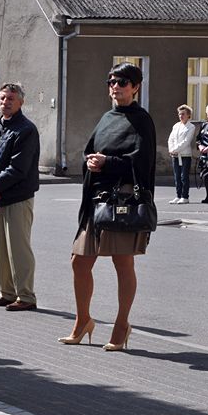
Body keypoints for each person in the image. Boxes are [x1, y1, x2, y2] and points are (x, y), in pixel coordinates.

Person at [60, 62, 156, 350]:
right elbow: (91, 149)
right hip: (96, 200)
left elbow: (142, 161)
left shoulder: (142, 120)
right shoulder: (106, 117)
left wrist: (108, 162)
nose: (116, 87)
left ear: (136, 87)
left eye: (122, 82)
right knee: (79, 262)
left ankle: (122, 324)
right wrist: (90, 160)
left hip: (122, 200)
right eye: (112, 82)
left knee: (122, 262)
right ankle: (83, 320)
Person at [0, 82, 40, 312]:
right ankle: (6, 293)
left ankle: (26, 295)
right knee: (2, 250)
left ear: (21, 102)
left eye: (11, 99)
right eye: (3, 98)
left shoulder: (26, 130)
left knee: (19, 249)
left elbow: (19, 167)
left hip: (18, 197)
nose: (5, 102)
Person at [167, 104, 195, 204]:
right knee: (177, 177)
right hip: (175, 155)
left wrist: (175, 149)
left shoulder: (191, 127)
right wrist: (171, 149)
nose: (181, 116)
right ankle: (178, 195)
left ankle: (185, 196)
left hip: (185, 155)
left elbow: (186, 141)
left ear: (188, 115)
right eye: (179, 114)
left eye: (183, 114)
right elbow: (171, 139)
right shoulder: (176, 126)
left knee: (184, 176)